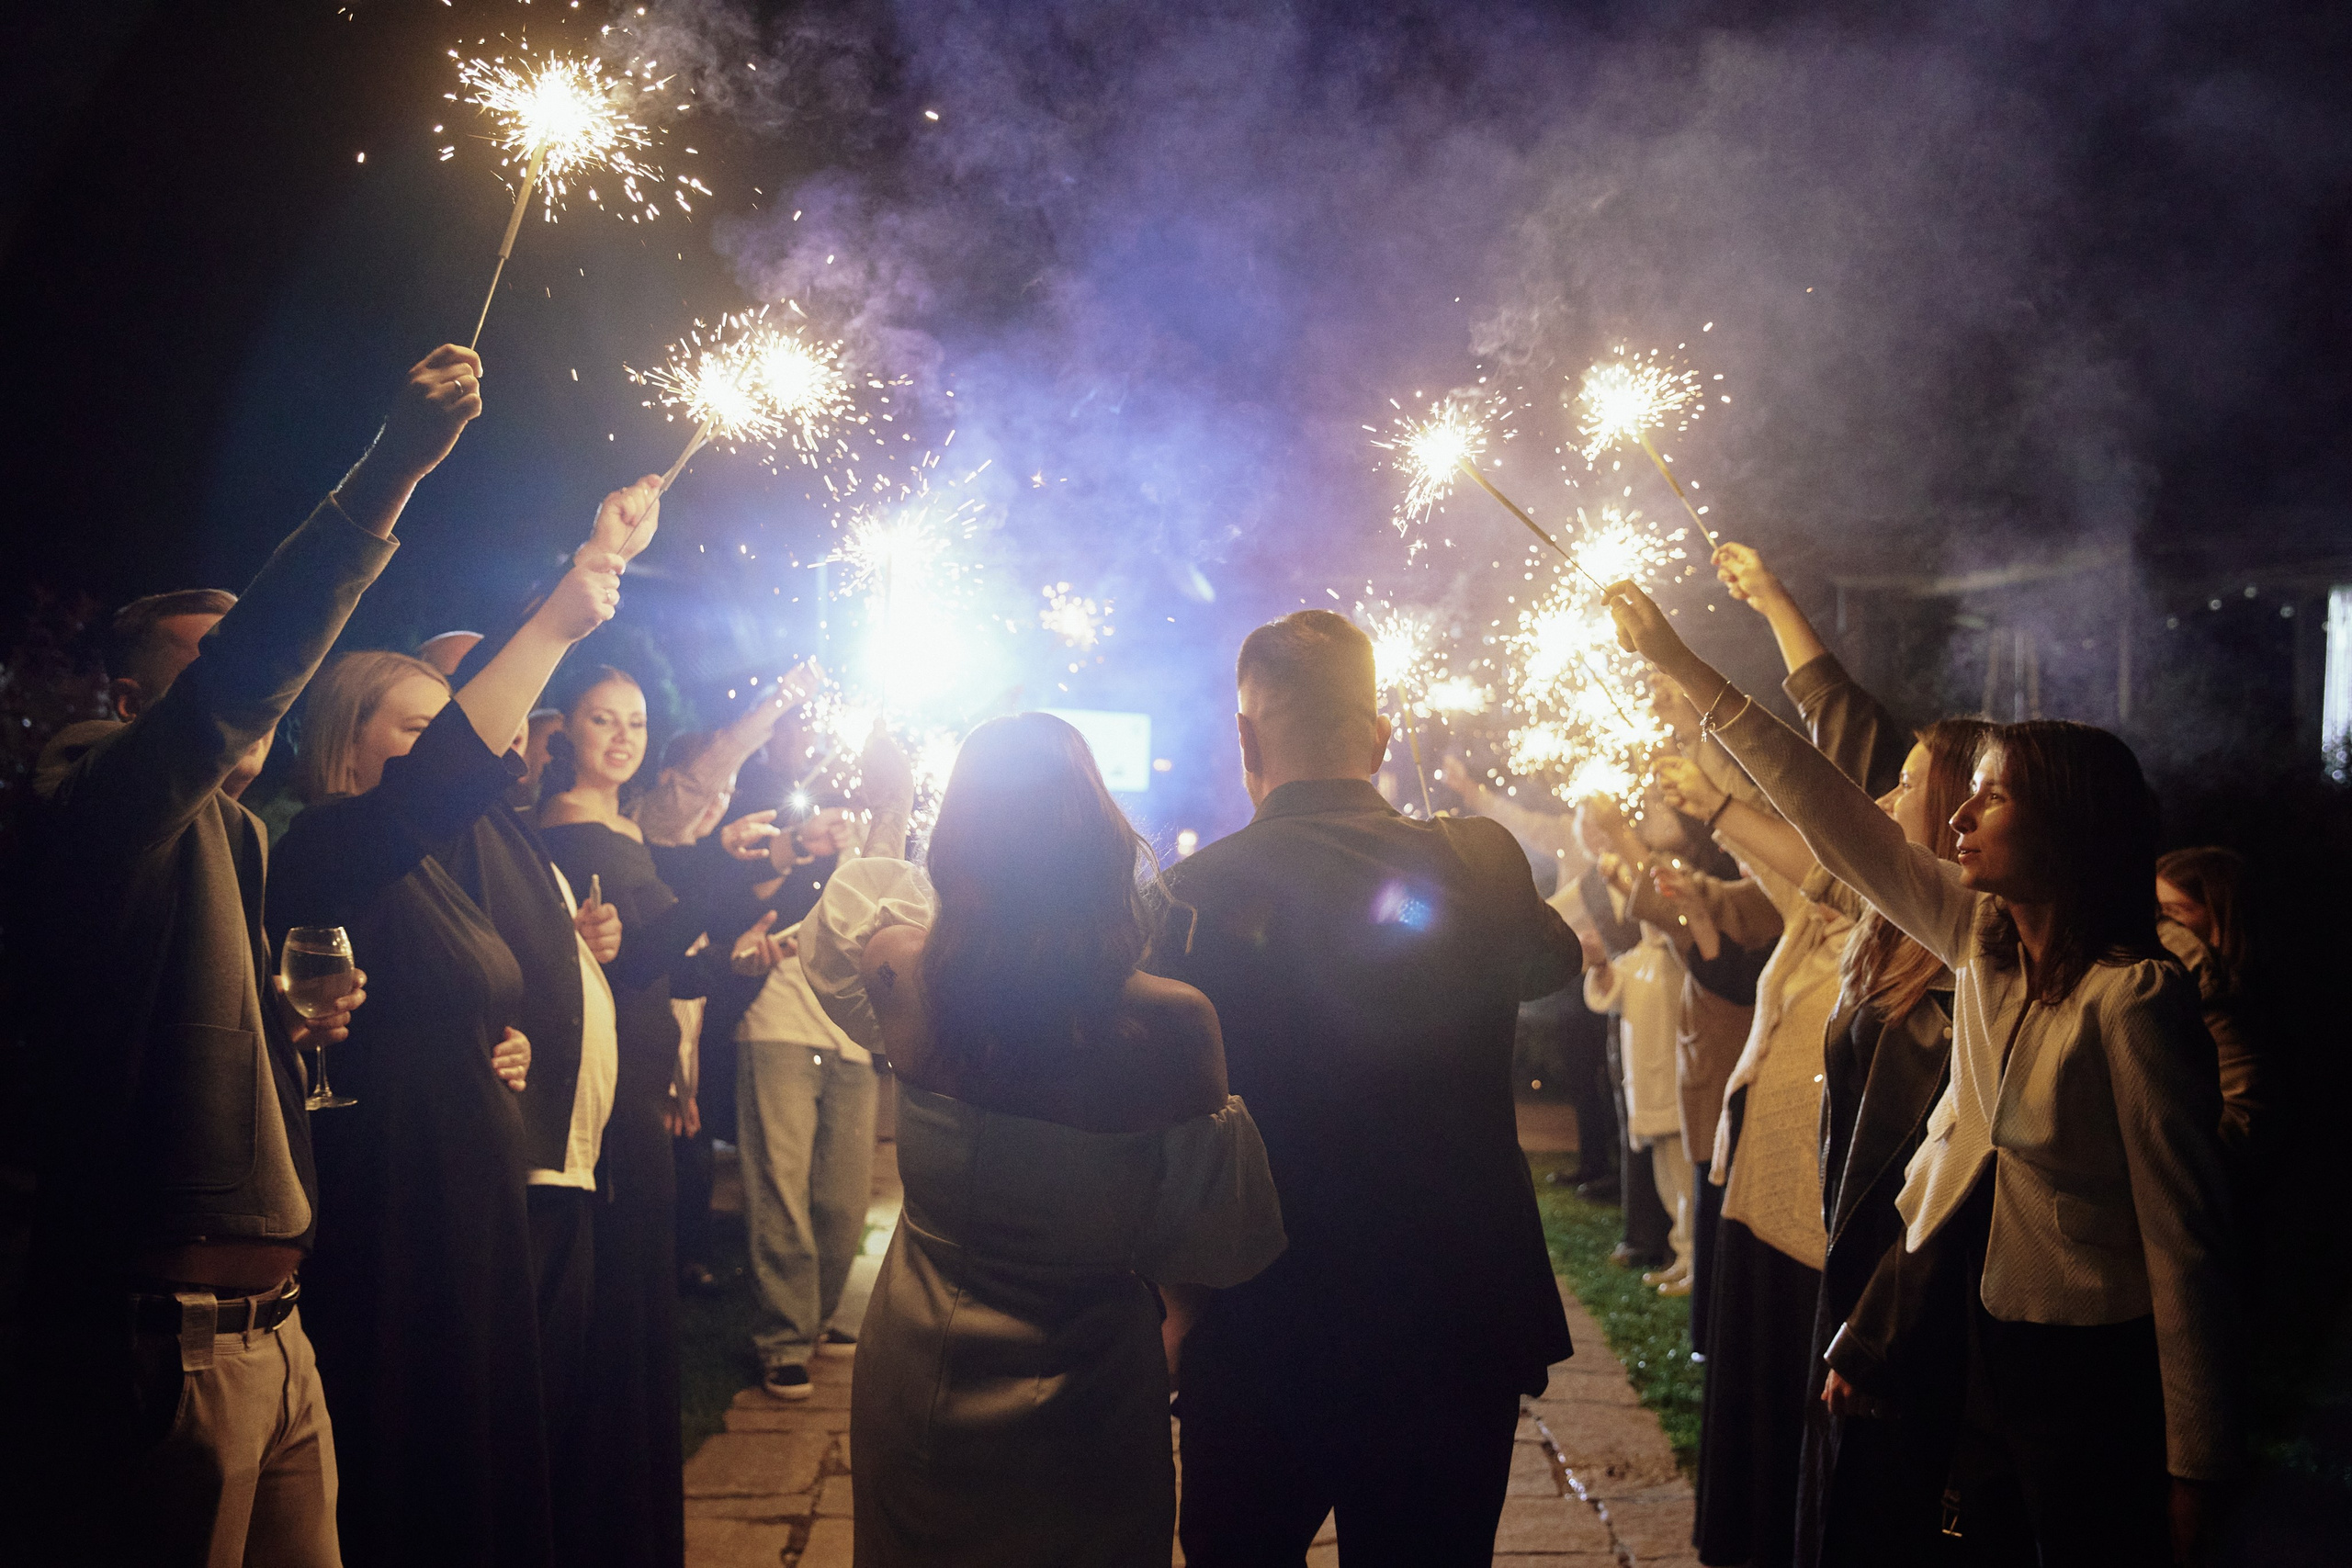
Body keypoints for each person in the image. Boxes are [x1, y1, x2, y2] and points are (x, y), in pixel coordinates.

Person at [1610, 577, 2243, 1567]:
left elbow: (2185, 1246)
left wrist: (2195, 1465)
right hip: (1979, 1348)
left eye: (1991, 796)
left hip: (2088, 1375)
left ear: (2065, 826)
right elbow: (1827, 812)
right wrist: (1681, 666)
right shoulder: (1977, 943)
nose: (1958, 817)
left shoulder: (2132, 1002)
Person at [13, 344, 481, 1567]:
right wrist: (394, 469)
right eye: (208, 661)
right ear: (132, 694)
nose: (266, 692)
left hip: (277, 1324)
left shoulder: (237, 833)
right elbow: (241, 687)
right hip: (170, 1336)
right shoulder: (88, 782)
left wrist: (283, 1036)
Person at [798, 715, 1286, 1565]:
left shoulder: (902, 973)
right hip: (1090, 1384)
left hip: (916, 1365)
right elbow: (1211, 1243)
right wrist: (1166, 1339)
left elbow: (854, 925)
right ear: (1099, 845)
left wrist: (893, 805)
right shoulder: (1169, 1023)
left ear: (958, 847)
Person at [269, 484, 649, 1568]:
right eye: (419, 730)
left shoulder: (432, 870)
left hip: (471, 1202)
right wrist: (568, 607)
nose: (452, 754)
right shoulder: (327, 850)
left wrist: (502, 1040)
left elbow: (472, 988)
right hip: (394, 1212)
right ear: (356, 734)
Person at [1151, 610, 1581, 1564]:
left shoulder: (1189, 896)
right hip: (1452, 1312)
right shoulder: (1480, 860)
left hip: (1264, 1314)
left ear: (1245, 737)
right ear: (1381, 737)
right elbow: (1553, 962)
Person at [535, 665, 791, 1568]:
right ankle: (608, 1517)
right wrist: (730, 875)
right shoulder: (564, 826)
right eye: (602, 719)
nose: (622, 735)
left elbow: (666, 955)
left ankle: (629, 1515)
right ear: (565, 729)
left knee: (641, 1295)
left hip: (640, 1065)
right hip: (605, 1081)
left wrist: (742, 896)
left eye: (636, 721)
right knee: (619, 1300)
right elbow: (643, 952)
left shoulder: (618, 824)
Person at [711, 798, 880, 1400]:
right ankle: (784, 1339)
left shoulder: (886, 854)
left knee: (843, 1202)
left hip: (854, 1044)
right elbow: (734, 915)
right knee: (780, 1189)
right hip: (777, 1028)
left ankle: (820, 1314)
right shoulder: (796, 846)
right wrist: (803, 842)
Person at [2155, 847, 2261, 1156]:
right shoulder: (2171, 985)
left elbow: (2244, 1111)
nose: (2162, 927)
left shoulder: (2228, 999)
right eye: (2157, 911)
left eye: (2173, 912)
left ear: (2220, 914)